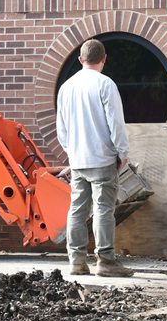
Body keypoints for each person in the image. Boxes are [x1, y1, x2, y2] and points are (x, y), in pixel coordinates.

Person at [56, 39, 134, 277]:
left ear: (80, 60)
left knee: (77, 210)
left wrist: (72, 152)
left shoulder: (66, 87)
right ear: (104, 59)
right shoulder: (105, 84)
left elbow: (62, 129)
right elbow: (116, 123)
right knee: (102, 210)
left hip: (78, 160)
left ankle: (76, 262)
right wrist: (123, 152)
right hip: (102, 159)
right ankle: (106, 261)